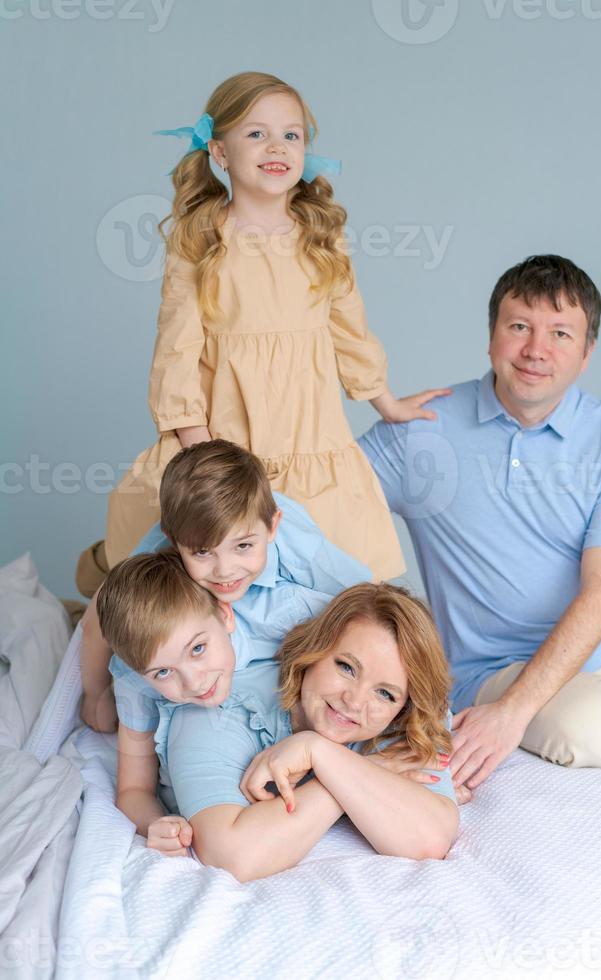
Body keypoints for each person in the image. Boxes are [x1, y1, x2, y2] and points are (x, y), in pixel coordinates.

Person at [76, 71, 451, 596]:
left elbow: (349, 326)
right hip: (224, 442)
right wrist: (203, 457)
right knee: (186, 579)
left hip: (308, 439)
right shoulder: (200, 241)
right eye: (256, 134)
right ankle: (97, 605)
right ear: (220, 152)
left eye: (291, 135)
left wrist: (386, 401)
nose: (276, 147)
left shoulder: (322, 237)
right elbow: (177, 351)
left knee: (329, 585)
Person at [359, 254, 601, 790]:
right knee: (592, 730)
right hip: (498, 669)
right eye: (519, 326)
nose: (536, 350)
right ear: (491, 336)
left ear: (587, 354)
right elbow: (318, 502)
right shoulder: (421, 430)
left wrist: (514, 719)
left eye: (561, 334)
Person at [163, 583, 459, 881]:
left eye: (384, 693)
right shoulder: (217, 712)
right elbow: (233, 856)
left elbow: (430, 839)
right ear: (314, 650)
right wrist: (356, 774)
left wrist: (318, 752)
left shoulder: (406, 722)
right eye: (346, 667)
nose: (354, 702)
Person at [81, 439, 371, 733]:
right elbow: (98, 623)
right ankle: (94, 564)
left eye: (244, 546)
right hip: (143, 568)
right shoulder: (159, 548)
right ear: (173, 540)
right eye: (203, 552)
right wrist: (95, 696)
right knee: (103, 583)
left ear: (272, 528)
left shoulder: (297, 545)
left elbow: (370, 599)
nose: (225, 570)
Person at [96, 549, 237, 857]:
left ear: (225, 615)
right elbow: (133, 790)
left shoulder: (270, 633)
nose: (194, 682)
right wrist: (156, 822)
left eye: (198, 648)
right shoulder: (135, 687)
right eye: (163, 672)